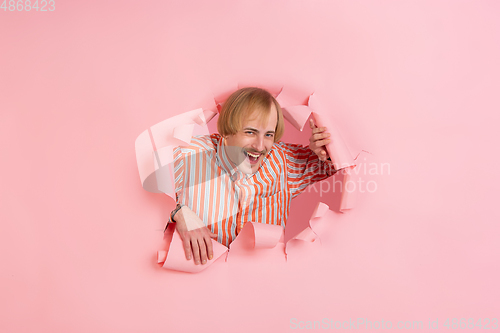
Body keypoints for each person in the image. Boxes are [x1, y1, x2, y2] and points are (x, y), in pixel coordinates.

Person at [168, 87, 337, 265]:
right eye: (250, 132)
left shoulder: (283, 162)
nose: (259, 146)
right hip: (198, 282)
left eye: (268, 135)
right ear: (227, 131)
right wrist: (179, 213)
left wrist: (324, 146)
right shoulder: (189, 154)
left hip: (263, 282)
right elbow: (146, 190)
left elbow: (332, 164)